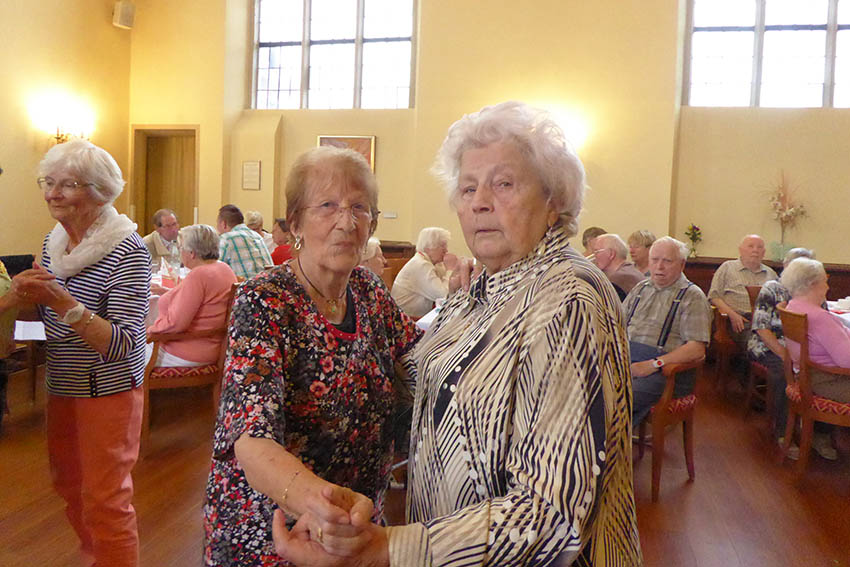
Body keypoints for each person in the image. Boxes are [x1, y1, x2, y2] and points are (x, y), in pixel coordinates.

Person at [273, 101, 641, 565]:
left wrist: (389, 549)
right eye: (468, 188)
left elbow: (550, 513)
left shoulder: (568, 297)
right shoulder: (476, 291)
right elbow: (418, 388)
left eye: (504, 184)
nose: (479, 201)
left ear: (555, 201)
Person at [203, 145, 422, 566]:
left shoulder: (369, 291)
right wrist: (318, 504)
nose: (347, 222)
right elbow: (251, 436)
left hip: (351, 526)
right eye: (328, 205)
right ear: (297, 221)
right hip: (275, 529)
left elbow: (421, 365)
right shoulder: (264, 301)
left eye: (360, 207)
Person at [3, 139, 150, 566]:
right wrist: (21, 294)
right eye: (48, 182)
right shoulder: (54, 244)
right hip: (63, 381)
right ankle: (94, 556)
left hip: (109, 388)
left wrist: (62, 302)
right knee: (67, 484)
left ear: (100, 190)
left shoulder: (128, 250)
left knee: (107, 498)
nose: (52, 193)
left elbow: (124, 344)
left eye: (67, 184)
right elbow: (47, 306)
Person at [623, 237, 711, 427]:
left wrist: (654, 364)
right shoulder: (640, 289)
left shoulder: (692, 296)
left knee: (615, 398)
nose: (659, 267)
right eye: (654, 260)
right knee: (585, 389)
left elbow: (696, 348)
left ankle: (611, 449)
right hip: (628, 362)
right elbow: (616, 327)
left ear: (682, 264)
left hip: (666, 373)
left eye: (667, 261)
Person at [748, 247, 816, 449]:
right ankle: (783, 431)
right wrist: (787, 356)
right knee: (782, 371)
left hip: (802, 351)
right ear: (786, 268)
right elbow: (761, 328)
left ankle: (819, 433)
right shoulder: (772, 288)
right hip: (769, 346)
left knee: (822, 373)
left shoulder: (815, 292)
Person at [783, 257, 850, 459]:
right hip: (828, 380)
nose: (828, 286)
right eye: (825, 280)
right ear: (813, 284)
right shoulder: (819, 317)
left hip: (807, 376)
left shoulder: (793, 307)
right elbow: (847, 361)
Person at [146, 224, 237, 367]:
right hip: (213, 347)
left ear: (192, 253)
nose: (180, 252)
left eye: (181, 248)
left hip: (189, 351)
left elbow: (176, 323)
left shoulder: (198, 275)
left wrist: (150, 330)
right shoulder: (223, 268)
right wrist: (165, 291)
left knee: (130, 352)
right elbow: (202, 300)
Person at [709, 234, 778, 349]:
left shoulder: (771, 274)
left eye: (759, 247)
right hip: (739, 321)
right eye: (750, 246)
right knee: (759, 343)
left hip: (767, 323)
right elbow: (714, 297)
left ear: (764, 252)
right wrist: (732, 315)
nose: (755, 250)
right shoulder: (727, 267)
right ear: (740, 250)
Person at [390, 227, 451, 318]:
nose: (446, 250)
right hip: (406, 319)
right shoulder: (421, 265)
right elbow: (444, 295)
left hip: (416, 317)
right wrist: (450, 270)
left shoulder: (432, 263)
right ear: (428, 248)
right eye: (442, 246)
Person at [217, 204, 273, 279]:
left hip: (243, 288)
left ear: (223, 224)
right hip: (265, 286)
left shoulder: (226, 239)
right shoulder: (257, 236)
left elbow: (216, 270)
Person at [591, 233, 646, 300]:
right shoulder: (630, 270)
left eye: (597, 251)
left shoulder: (619, 279)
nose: (594, 256)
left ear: (611, 254)